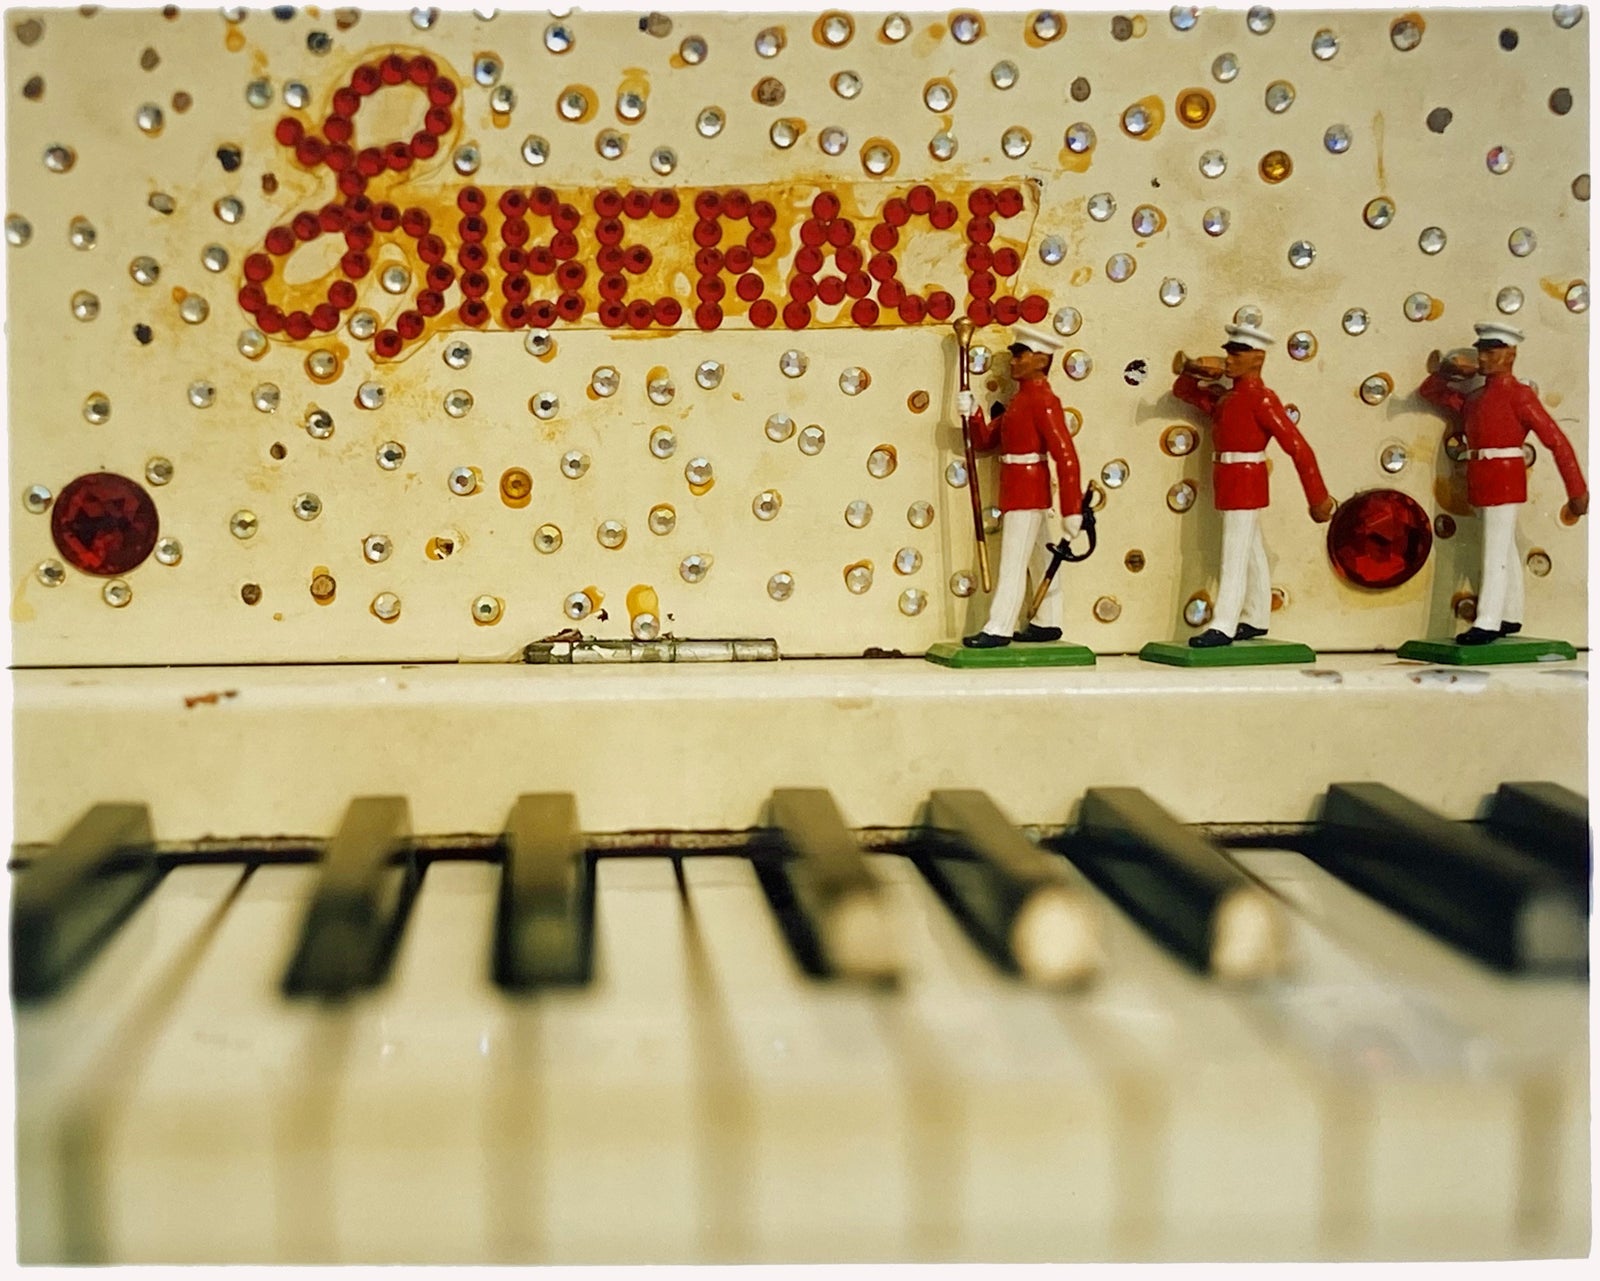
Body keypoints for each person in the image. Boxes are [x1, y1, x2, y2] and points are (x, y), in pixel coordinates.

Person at [1418, 321, 1588, 644]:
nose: (1483, 359)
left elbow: (1556, 441)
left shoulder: (1520, 396)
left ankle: (1488, 620)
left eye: (1491, 352)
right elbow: (1431, 392)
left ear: (1510, 355)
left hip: (1505, 477)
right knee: (1504, 546)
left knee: (1493, 550)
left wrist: (1576, 491)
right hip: (1480, 475)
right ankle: (1511, 613)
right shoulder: (1476, 398)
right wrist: (1449, 372)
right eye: (1481, 352)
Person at [1172, 319, 1336, 647]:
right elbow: (1183, 392)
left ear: (1257, 359)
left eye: (1238, 353)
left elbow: (1298, 447)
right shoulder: (1227, 398)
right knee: (1250, 550)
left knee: (1233, 551)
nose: (1229, 359)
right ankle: (1257, 615)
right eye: (1228, 353)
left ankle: (1224, 623)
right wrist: (1198, 371)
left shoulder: (1262, 400)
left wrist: (1317, 497)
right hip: (1227, 479)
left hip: (1246, 482)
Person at [956, 327, 1083, 648]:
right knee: (1040, 556)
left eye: (1020, 355)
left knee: (1013, 561)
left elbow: (1065, 455)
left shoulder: (1044, 400)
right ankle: (1048, 620)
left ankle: (999, 626)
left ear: (1040, 360)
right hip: (1018, 488)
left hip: (1027, 491)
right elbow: (987, 440)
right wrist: (972, 413)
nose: (1014, 361)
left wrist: (1072, 508)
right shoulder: (1020, 401)